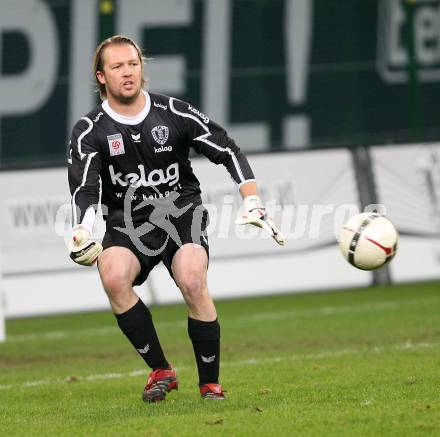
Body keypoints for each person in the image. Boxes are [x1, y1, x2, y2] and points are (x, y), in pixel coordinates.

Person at [67, 35, 284, 403]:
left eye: (133, 64)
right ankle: (161, 369)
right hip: (128, 221)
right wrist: (83, 230)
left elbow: (226, 148)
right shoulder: (90, 131)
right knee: (114, 276)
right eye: (117, 66)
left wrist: (252, 201)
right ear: (101, 76)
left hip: (183, 212)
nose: (128, 72)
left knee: (192, 280)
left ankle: (210, 385)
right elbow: (86, 190)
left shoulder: (174, 112)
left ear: (142, 67)